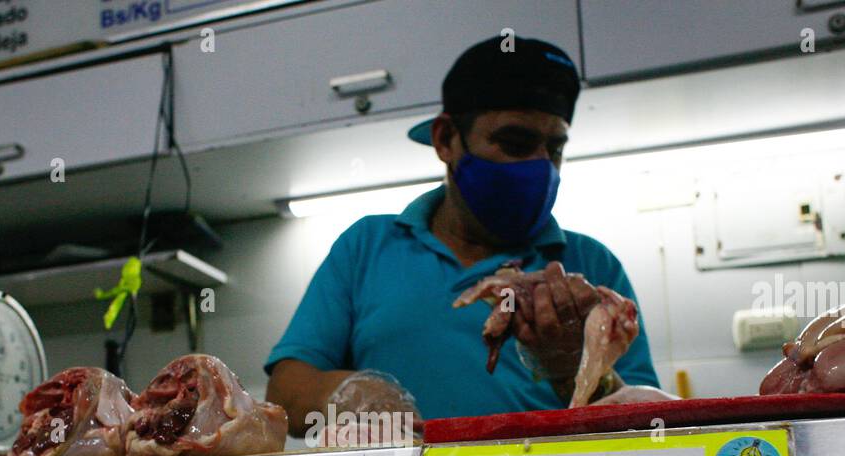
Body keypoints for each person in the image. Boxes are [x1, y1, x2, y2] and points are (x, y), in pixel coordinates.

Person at [266, 36, 665, 433]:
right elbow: (285, 393)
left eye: (554, 148)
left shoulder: (591, 265)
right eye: (515, 143)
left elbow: (650, 428)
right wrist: (349, 394)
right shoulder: (366, 246)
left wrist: (572, 367)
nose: (541, 166)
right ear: (445, 139)